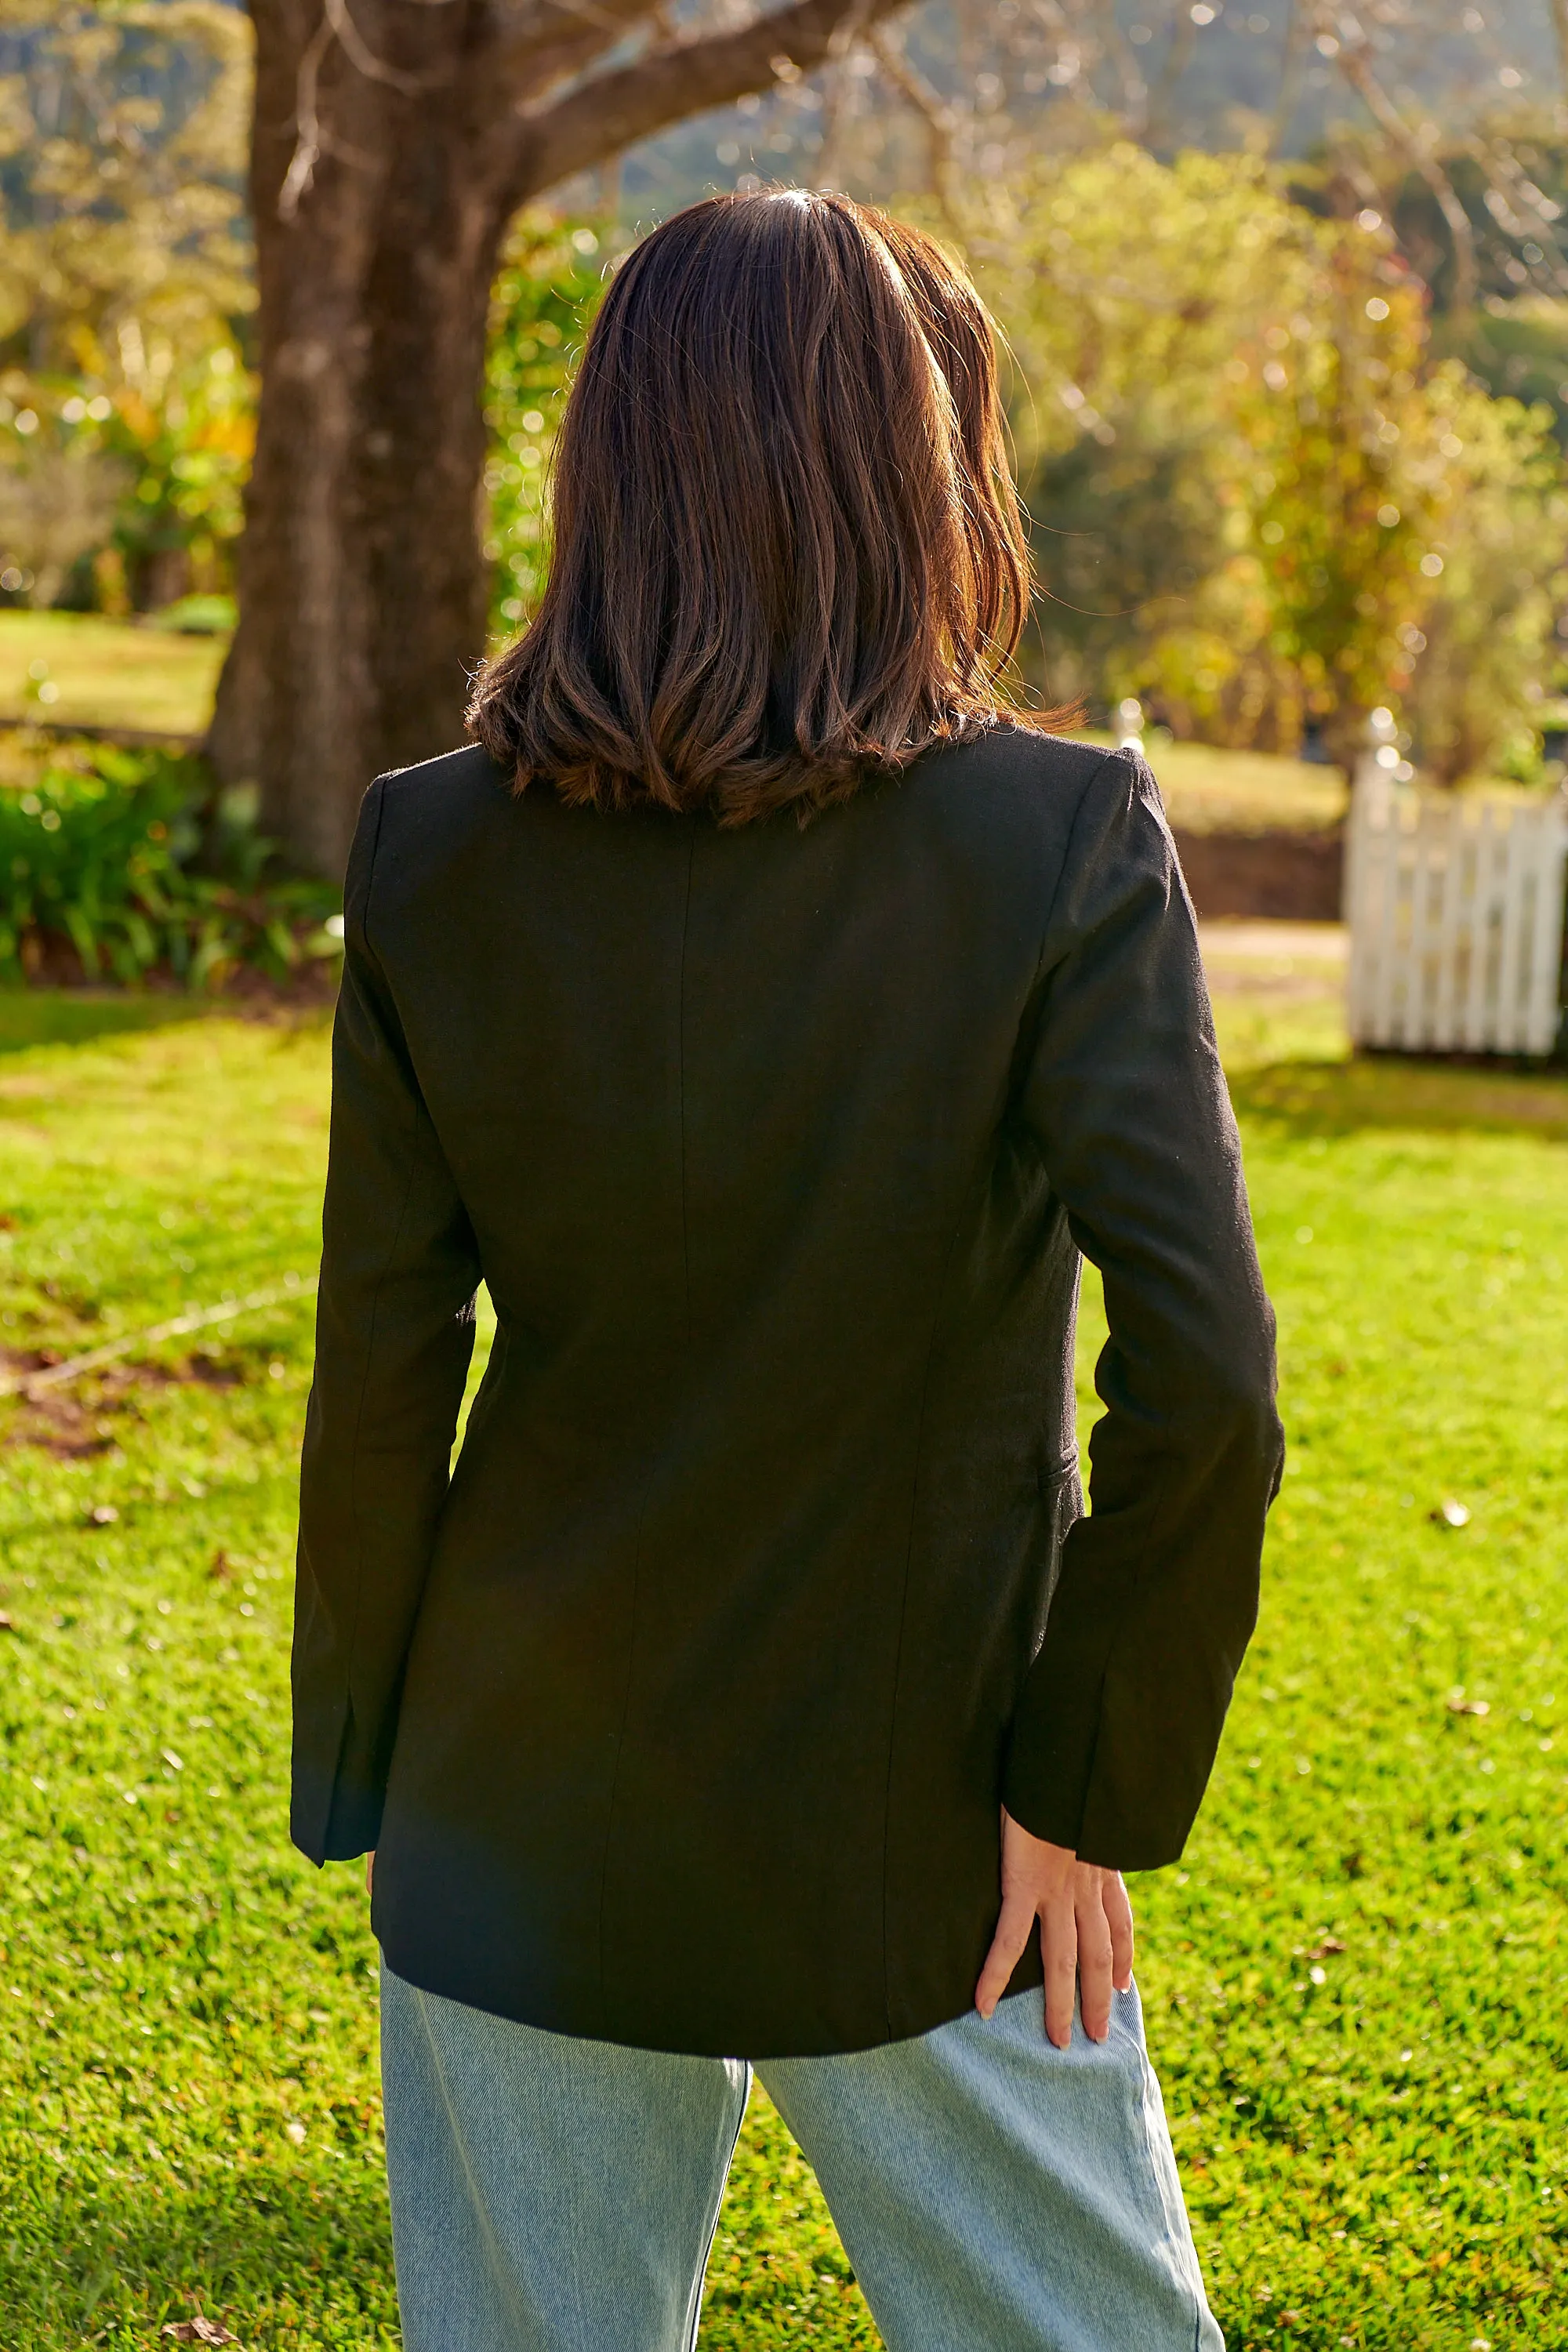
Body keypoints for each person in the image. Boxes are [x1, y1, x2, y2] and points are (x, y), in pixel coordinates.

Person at [290, 189, 1283, 2352]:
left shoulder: (431, 851)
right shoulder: (1060, 839)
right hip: (925, 1831)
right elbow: (1205, 1384)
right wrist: (1080, 1785)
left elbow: (380, 1361)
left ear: (606, 467)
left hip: (507, 1812)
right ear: (913, 460)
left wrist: (368, 1777)